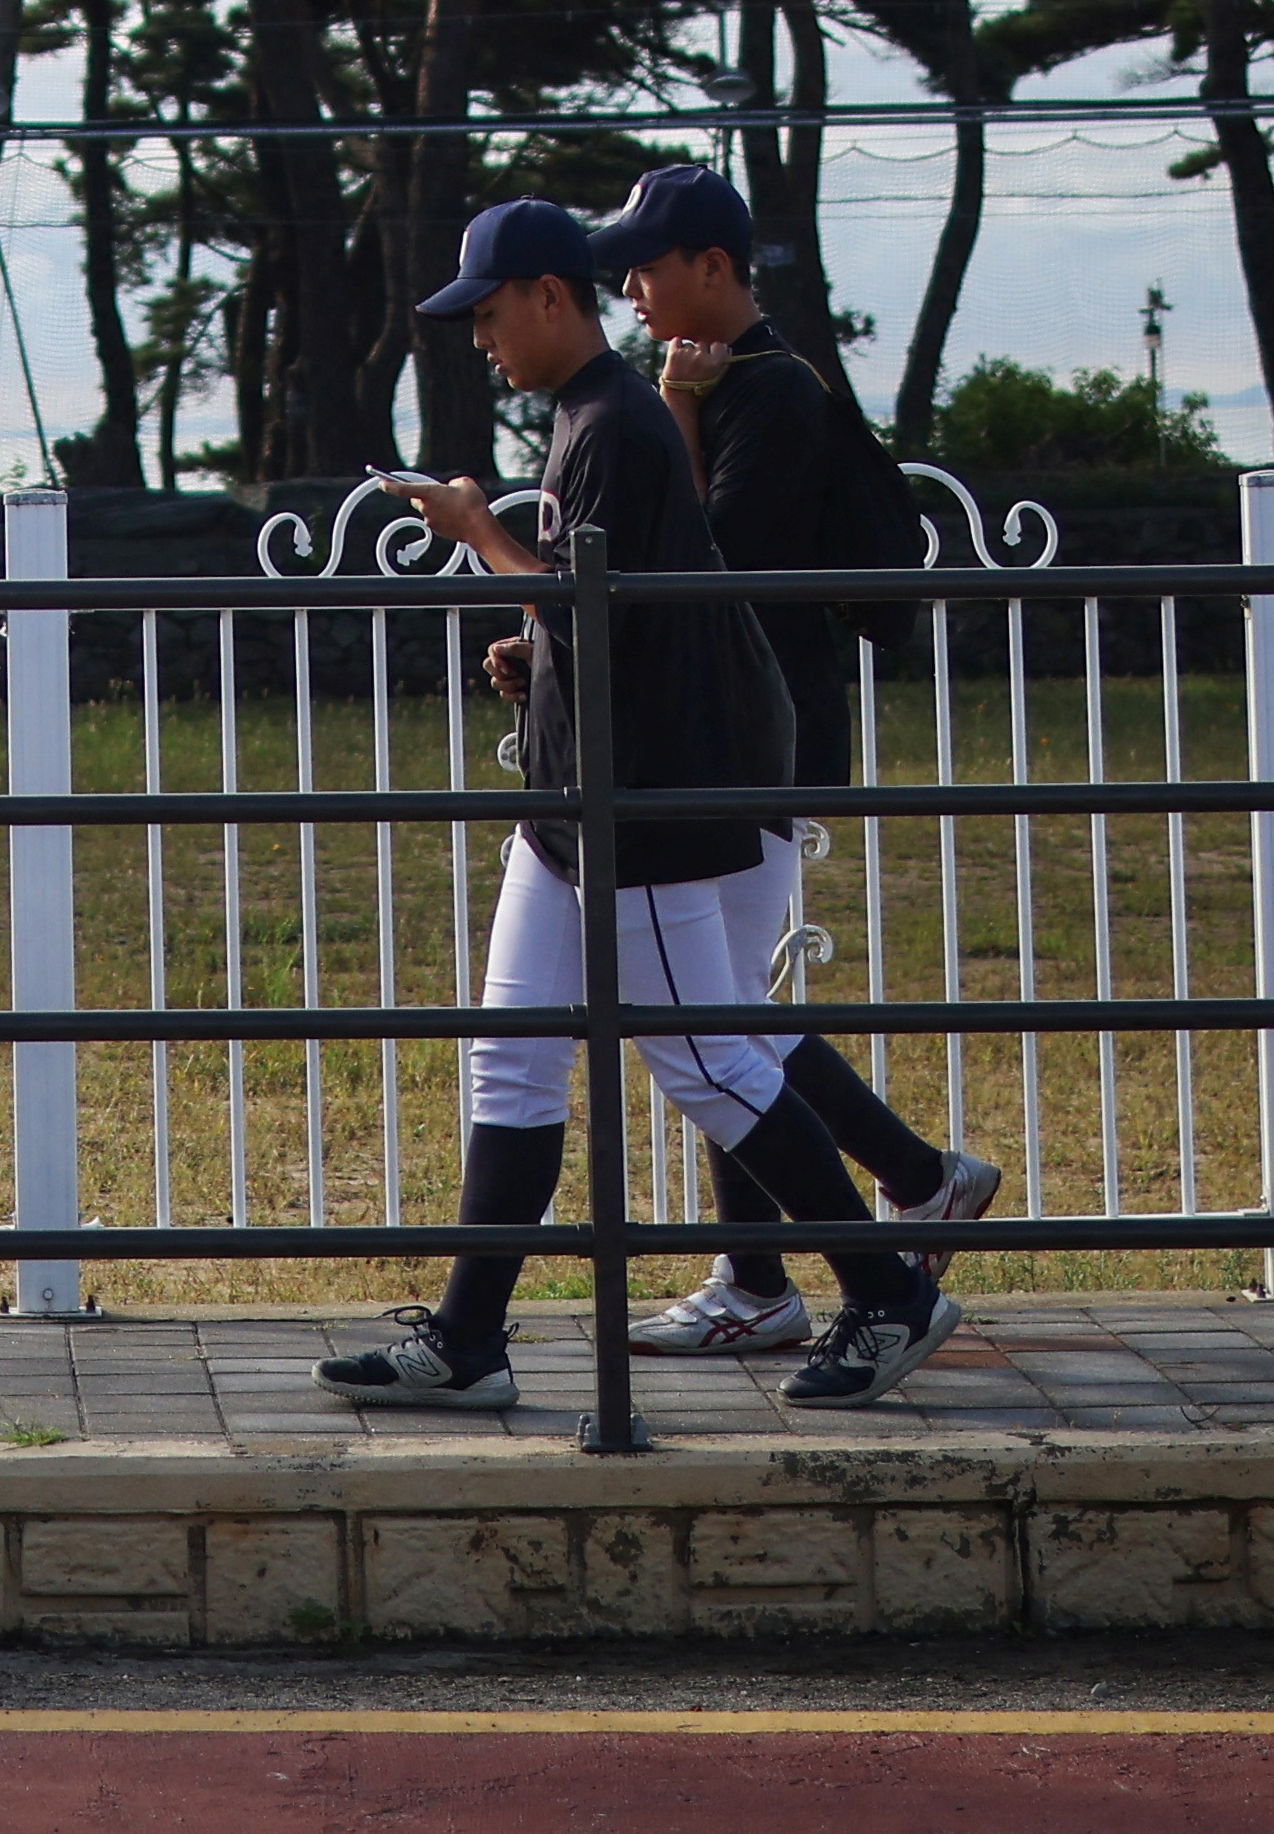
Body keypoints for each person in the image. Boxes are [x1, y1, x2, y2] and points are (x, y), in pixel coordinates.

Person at [319, 196, 946, 1415]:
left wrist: (473, 530)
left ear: (553, 297)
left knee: (710, 1057)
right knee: (512, 1060)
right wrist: (534, 644)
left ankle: (888, 1291)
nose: (480, 340)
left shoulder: (612, 421)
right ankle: (467, 1339)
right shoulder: (597, 415)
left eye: (490, 315)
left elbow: (592, 600)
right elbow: (600, 611)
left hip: (640, 807)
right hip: (573, 797)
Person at [600, 160, 1004, 1353]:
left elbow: (701, 567)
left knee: (719, 1018)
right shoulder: (745, 383)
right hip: (736, 731)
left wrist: (675, 408)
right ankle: (851, 1218)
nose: (630, 285)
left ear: (713, 268)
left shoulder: (768, 396)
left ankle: (812, 1249)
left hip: (754, 733)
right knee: (724, 1013)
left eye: (649, 264)